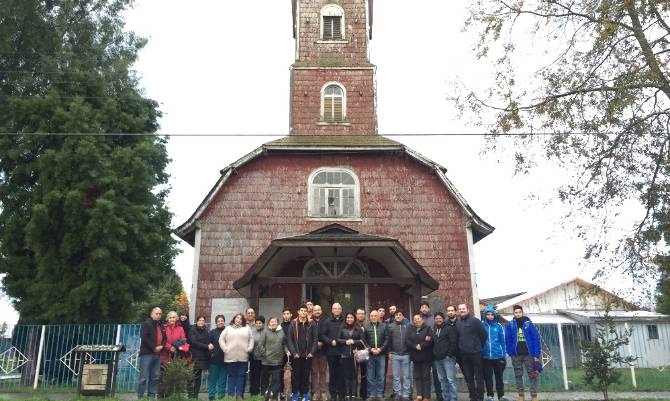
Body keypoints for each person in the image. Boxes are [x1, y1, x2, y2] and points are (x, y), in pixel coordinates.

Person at [505, 305, 541, 401]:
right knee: (518, 375)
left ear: (522, 312)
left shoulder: (528, 324)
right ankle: (521, 395)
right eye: (516, 312)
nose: (518, 314)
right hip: (516, 355)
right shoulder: (510, 325)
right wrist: (510, 352)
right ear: (514, 313)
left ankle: (534, 396)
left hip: (529, 354)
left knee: (532, 375)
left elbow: (535, 339)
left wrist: (536, 354)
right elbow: (507, 340)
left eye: (519, 312)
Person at [455, 304, 487, 401]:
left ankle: (480, 397)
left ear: (468, 310)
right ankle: (473, 396)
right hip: (464, 354)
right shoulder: (458, 322)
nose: (461, 310)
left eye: (463, 309)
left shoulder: (475, 321)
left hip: (475, 353)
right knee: (468, 377)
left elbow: (484, 335)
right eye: (460, 309)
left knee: (479, 377)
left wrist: (478, 346)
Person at [220, 313, 254, 400]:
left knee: (241, 376)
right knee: (231, 376)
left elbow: (251, 339)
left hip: (243, 357)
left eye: (240, 318)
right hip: (230, 357)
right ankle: (231, 395)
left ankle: (239, 395)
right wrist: (225, 349)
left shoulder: (246, 328)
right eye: (237, 318)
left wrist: (249, 348)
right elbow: (221, 339)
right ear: (234, 319)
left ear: (242, 320)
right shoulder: (228, 328)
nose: (238, 320)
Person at [287, 304, 318, 401]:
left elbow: (315, 339)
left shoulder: (312, 323)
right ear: (298, 312)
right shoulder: (293, 323)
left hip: (307, 355)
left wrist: (312, 352)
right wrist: (293, 352)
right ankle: (295, 394)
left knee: (305, 375)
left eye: (305, 311)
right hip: (296, 355)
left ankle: (305, 394)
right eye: (302, 310)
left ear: (307, 312)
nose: (303, 312)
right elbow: (289, 340)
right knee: (295, 376)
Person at [481, 306, 507, 401]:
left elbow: (502, 342)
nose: (490, 316)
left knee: (499, 377)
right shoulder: (481, 325)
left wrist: (503, 355)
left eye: (492, 314)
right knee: (488, 378)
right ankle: (490, 396)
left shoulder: (499, 326)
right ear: (485, 315)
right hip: (485, 356)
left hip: (498, 356)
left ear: (494, 315)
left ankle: (501, 396)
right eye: (488, 314)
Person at [259, 317, 288, 401]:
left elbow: (284, 344)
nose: (274, 323)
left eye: (275, 322)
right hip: (266, 362)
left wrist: (286, 351)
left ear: (277, 323)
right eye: (272, 322)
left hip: (278, 361)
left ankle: (274, 396)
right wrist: (266, 355)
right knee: (265, 380)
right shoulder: (265, 332)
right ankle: (265, 396)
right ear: (269, 323)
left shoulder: (281, 332)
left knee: (276, 381)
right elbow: (260, 346)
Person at [320, 303, 344, 401]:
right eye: (335, 308)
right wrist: (330, 341)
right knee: (333, 374)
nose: (337, 310)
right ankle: (333, 394)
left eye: (339, 308)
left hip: (343, 351)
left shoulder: (345, 321)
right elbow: (322, 335)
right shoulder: (327, 321)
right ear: (332, 310)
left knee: (342, 373)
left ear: (341, 310)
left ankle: (342, 394)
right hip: (331, 352)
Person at [337, 312, 364, 401]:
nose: (349, 319)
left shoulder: (358, 328)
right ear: (346, 319)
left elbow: (362, 341)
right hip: (345, 355)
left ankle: (353, 394)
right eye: (348, 317)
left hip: (355, 355)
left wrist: (354, 342)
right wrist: (345, 342)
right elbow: (337, 340)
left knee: (354, 375)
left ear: (354, 318)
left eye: (351, 317)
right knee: (346, 375)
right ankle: (347, 394)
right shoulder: (342, 327)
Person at [405, 314, 433, 401]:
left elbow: (430, 340)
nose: (416, 320)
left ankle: (426, 396)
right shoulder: (410, 329)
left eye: (418, 319)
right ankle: (419, 395)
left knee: (425, 376)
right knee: (417, 377)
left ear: (422, 320)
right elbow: (407, 340)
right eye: (415, 319)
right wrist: (414, 346)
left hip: (426, 357)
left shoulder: (428, 328)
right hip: (415, 357)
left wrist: (421, 345)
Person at [138, 307, 164, 399]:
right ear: (151, 314)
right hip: (147, 354)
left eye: (160, 314)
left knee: (155, 377)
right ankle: (141, 397)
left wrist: (162, 346)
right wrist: (154, 348)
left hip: (157, 355)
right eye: (156, 313)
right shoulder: (146, 323)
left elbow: (165, 338)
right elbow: (144, 337)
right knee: (143, 377)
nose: (158, 315)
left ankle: (151, 396)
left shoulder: (161, 325)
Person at [432, 312, 458, 401]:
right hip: (437, 359)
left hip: (448, 359)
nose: (438, 320)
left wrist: (449, 355)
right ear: (434, 320)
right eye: (436, 318)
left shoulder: (449, 328)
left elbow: (453, 342)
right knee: (442, 380)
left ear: (443, 319)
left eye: (440, 318)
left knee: (451, 380)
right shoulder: (434, 329)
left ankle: (453, 398)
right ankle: (446, 398)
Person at [418, 301, 441, 401]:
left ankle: (439, 393)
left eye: (425, 307)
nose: (424, 309)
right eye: (422, 307)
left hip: (434, 351)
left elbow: (436, 332)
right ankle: (425, 395)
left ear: (429, 308)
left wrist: (430, 337)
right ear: (420, 309)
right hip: (423, 351)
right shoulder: (417, 319)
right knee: (425, 374)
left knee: (436, 373)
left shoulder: (433, 319)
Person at [365, 310, 388, 401]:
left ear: (378, 317)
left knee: (381, 375)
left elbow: (387, 339)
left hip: (381, 354)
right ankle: (371, 394)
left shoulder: (384, 326)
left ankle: (379, 394)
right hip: (370, 355)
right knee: (370, 376)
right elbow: (364, 340)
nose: (374, 317)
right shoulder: (366, 327)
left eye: (375, 316)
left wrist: (380, 349)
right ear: (370, 317)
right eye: (372, 316)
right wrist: (370, 349)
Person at [387, 310, 411, 401]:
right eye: (396, 315)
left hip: (406, 354)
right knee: (396, 376)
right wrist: (389, 352)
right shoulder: (390, 326)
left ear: (403, 316)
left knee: (406, 376)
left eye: (400, 315)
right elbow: (388, 341)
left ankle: (406, 394)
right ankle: (397, 393)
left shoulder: (408, 326)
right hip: (395, 354)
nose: (398, 316)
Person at [188, 316, 213, 399]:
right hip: (193, 356)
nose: (201, 322)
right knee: (191, 377)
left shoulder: (206, 331)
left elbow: (208, 341)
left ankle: (195, 396)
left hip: (202, 357)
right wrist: (206, 346)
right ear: (197, 321)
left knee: (198, 377)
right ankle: (190, 395)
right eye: (200, 320)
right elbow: (193, 342)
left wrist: (208, 346)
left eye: (203, 320)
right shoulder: (192, 330)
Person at [310, 305, 328, 401]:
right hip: (312, 352)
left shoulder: (326, 321)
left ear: (321, 311)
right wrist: (315, 343)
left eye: (318, 310)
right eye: (315, 310)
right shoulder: (309, 321)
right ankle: (315, 392)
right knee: (314, 372)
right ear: (312, 312)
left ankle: (323, 392)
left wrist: (322, 342)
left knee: (323, 372)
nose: (317, 311)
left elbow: (328, 334)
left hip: (323, 351)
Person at [209, 315, 228, 401]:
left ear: (224, 321)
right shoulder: (212, 332)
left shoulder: (228, 331)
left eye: (222, 320)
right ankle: (211, 396)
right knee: (212, 379)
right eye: (219, 321)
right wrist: (211, 354)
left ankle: (221, 397)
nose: (220, 322)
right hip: (214, 360)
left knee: (222, 380)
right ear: (216, 322)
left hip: (225, 360)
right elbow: (208, 344)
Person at [251, 316, 267, 396]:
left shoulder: (267, 331)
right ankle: (254, 392)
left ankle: (263, 392)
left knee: (264, 376)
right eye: (256, 323)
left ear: (263, 324)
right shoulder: (252, 332)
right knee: (255, 376)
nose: (258, 324)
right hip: (255, 358)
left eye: (260, 323)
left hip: (265, 358)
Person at [280, 308, 294, 400]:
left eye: (288, 313)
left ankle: (292, 392)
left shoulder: (294, 324)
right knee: (281, 373)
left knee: (293, 373)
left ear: (291, 315)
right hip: (282, 353)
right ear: (282, 315)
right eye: (284, 314)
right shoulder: (279, 326)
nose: (286, 315)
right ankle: (282, 392)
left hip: (293, 352)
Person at [355, 308, 368, 401]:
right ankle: (354, 393)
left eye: (362, 314)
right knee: (354, 374)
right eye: (359, 314)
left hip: (364, 353)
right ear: (356, 315)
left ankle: (363, 394)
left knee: (364, 374)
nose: (360, 315)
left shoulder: (367, 326)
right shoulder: (352, 325)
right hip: (354, 353)